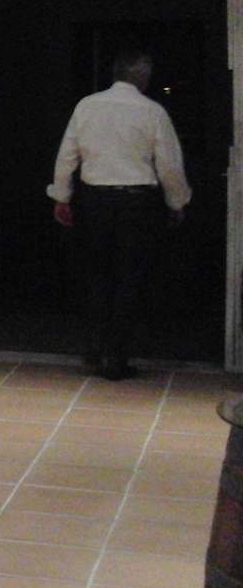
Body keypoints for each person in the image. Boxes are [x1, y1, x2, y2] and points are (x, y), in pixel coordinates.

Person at [47, 48, 190, 380]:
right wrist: (177, 202)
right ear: (143, 77)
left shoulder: (87, 106)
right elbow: (169, 165)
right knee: (130, 277)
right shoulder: (153, 112)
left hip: (94, 200)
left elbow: (67, 156)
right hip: (137, 203)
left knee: (96, 275)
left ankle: (94, 349)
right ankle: (117, 356)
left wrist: (61, 196)